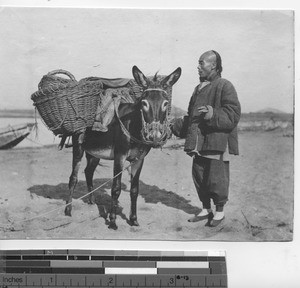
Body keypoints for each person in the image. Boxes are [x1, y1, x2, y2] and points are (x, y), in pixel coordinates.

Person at [171, 50, 241, 227]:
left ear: (214, 65)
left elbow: (233, 114)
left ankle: (219, 212)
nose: (198, 66)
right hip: (198, 143)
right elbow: (190, 117)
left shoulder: (225, 86)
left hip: (216, 142)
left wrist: (212, 114)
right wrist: (174, 126)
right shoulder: (198, 89)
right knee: (199, 176)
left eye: (201, 63)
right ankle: (205, 209)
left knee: (216, 178)